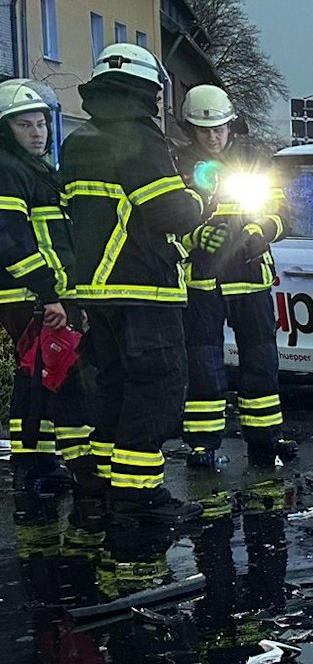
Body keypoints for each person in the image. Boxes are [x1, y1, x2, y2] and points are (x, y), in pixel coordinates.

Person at [59, 45, 205, 523]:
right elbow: (169, 212)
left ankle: (103, 482)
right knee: (156, 385)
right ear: (149, 91)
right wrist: (200, 197)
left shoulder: (79, 140)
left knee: (112, 384)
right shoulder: (141, 139)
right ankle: (138, 493)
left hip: (95, 290)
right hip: (143, 285)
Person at [176, 84, 294, 472]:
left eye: (219, 128)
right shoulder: (177, 165)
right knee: (204, 366)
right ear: (191, 130)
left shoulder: (253, 160)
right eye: (204, 130)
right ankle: (203, 444)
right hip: (202, 281)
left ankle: (264, 439)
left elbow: (282, 212)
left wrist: (263, 231)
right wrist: (194, 237)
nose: (213, 136)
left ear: (231, 125)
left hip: (250, 277)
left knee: (261, 362)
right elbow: (165, 222)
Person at [0, 79, 86, 497]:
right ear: (5, 130)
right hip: (27, 296)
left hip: (43, 294)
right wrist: (46, 293)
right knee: (38, 381)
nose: (37, 133)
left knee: (42, 378)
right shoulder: (7, 169)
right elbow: (9, 236)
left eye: (41, 123)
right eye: (24, 125)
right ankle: (33, 466)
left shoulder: (37, 170)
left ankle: (40, 462)